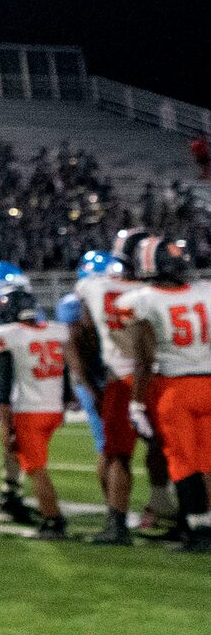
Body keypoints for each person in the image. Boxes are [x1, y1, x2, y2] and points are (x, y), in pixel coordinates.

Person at [126, 236, 211, 552]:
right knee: (206, 461)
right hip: (208, 382)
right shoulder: (206, 292)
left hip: (176, 387)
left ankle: (197, 530)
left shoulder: (143, 299)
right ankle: (201, 524)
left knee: (182, 461)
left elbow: (144, 358)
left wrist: (136, 402)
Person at [70, 237, 148, 546]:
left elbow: (85, 327)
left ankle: (116, 520)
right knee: (180, 453)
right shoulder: (160, 292)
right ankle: (189, 516)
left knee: (116, 453)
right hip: (166, 378)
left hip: (123, 378)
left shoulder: (95, 286)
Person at [0, 285, 73, 540]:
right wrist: (64, 404)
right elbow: (65, 373)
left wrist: (5, 424)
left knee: (35, 469)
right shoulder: (55, 331)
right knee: (37, 466)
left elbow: (4, 384)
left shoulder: (7, 334)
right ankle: (50, 516)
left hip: (29, 411)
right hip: (53, 408)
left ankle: (53, 520)